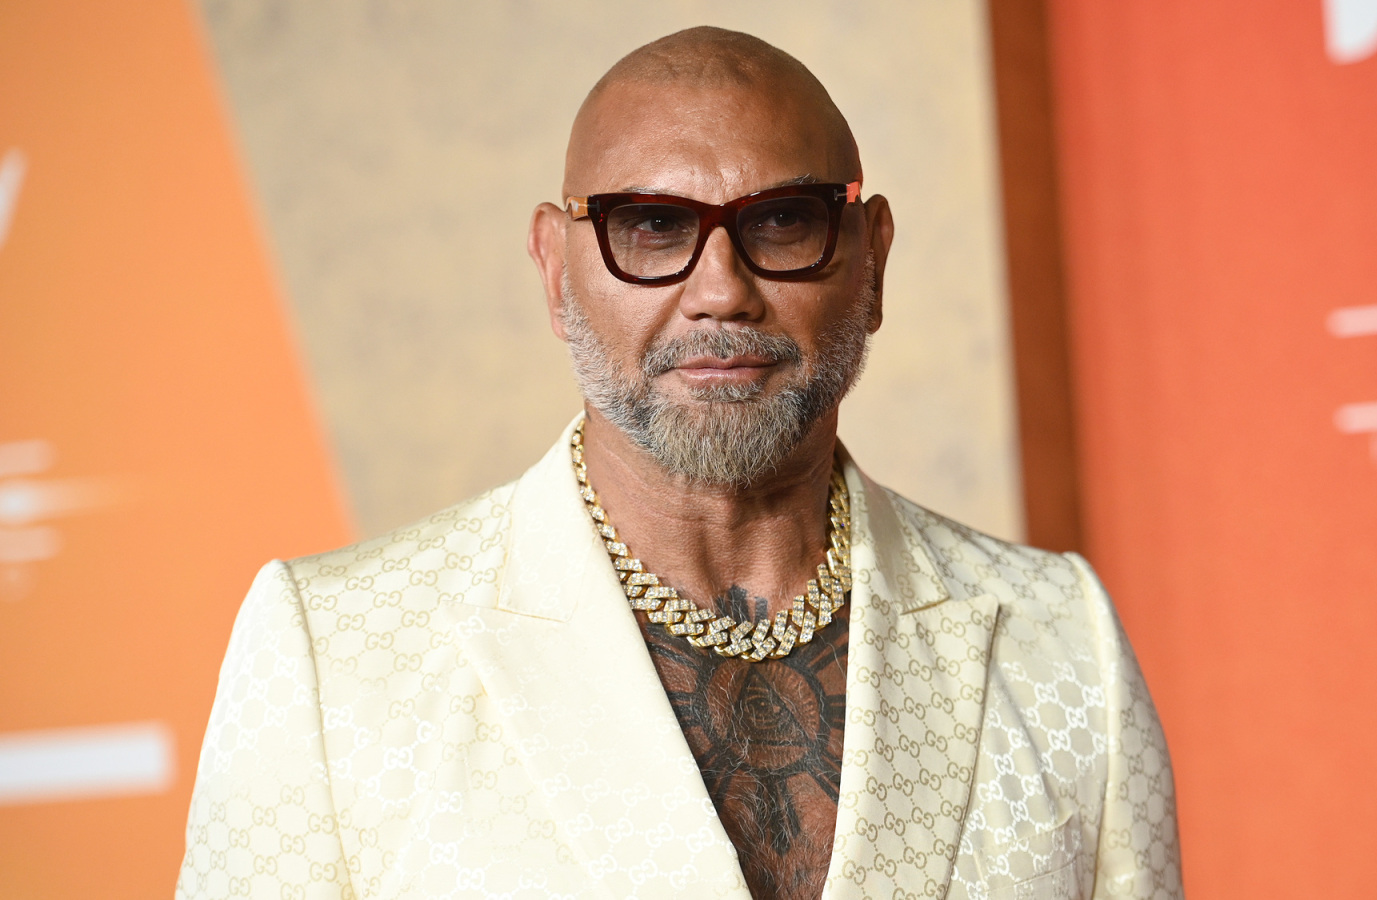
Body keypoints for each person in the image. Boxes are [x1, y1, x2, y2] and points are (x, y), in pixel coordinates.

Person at [177, 26, 1182, 900]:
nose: (720, 292)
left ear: (871, 258)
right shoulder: (333, 655)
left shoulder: (1063, 639)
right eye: (652, 227)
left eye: (781, 220)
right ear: (556, 272)